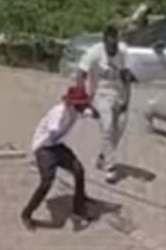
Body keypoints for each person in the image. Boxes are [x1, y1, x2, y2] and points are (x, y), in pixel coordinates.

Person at [23, 80, 95, 226]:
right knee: (47, 181)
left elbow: (91, 112)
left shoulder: (78, 109)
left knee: (78, 170)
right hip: (44, 147)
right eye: (82, 104)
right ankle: (26, 214)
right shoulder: (59, 112)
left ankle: (78, 208)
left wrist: (93, 110)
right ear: (73, 103)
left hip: (56, 145)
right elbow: (53, 128)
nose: (84, 107)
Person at [89, 29, 137, 177]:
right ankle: (110, 167)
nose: (113, 48)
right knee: (108, 127)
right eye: (110, 45)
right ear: (104, 43)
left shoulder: (123, 53)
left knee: (119, 129)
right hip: (101, 94)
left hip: (118, 94)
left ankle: (103, 156)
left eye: (115, 44)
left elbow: (126, 79)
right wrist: (91, 101)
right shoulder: (95, 53)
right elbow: (90, 77)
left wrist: (126, 102)